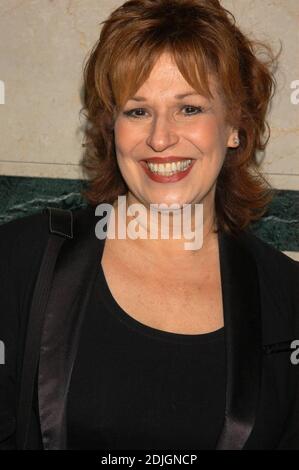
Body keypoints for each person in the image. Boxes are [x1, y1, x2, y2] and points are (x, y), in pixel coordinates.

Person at [0, 0, 298, 450]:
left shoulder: (287, 296)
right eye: (137, 111)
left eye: (190, 108)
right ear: (111, 128)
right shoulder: (19, 260)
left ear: (236, 125)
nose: (160, 138)